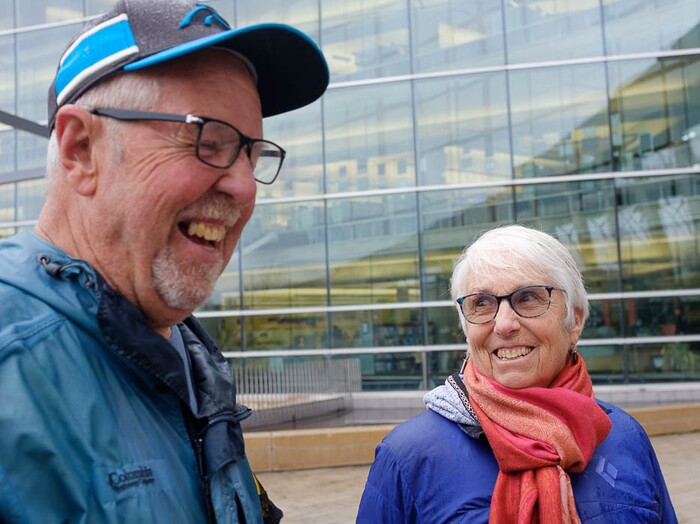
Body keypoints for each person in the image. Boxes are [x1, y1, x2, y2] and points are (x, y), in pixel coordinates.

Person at [0, 1, 328, 523]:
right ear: (81, 149)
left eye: (251, 153)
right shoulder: (13, 368)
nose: (244, 187)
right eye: (207, 139)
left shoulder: (186, 360)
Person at [357, 224, 677, 523]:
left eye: (528, 297)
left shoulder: (622, 435)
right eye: (481, 303)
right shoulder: (409, 455)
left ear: (574, 320)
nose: (505, 324)